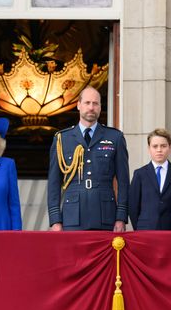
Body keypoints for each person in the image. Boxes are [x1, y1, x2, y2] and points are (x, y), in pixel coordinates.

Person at [47, 86, 129, 231]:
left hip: (106, 216)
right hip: (72, 217)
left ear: (100, 107)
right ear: (78, 105)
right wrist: (55, 220)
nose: (91, 107)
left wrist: (121, 217)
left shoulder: (115, 137)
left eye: (95, 103)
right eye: (87, 103)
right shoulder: (62, 139)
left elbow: (123, 182)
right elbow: (54, 183)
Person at [129, 128, 171, 230]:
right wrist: (139, 228)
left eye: (163, 146)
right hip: (145, 230)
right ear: (149, 148)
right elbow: (133, 206)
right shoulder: (139, 174)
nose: (159, 150)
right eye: (155, 146)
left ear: (170, 148)